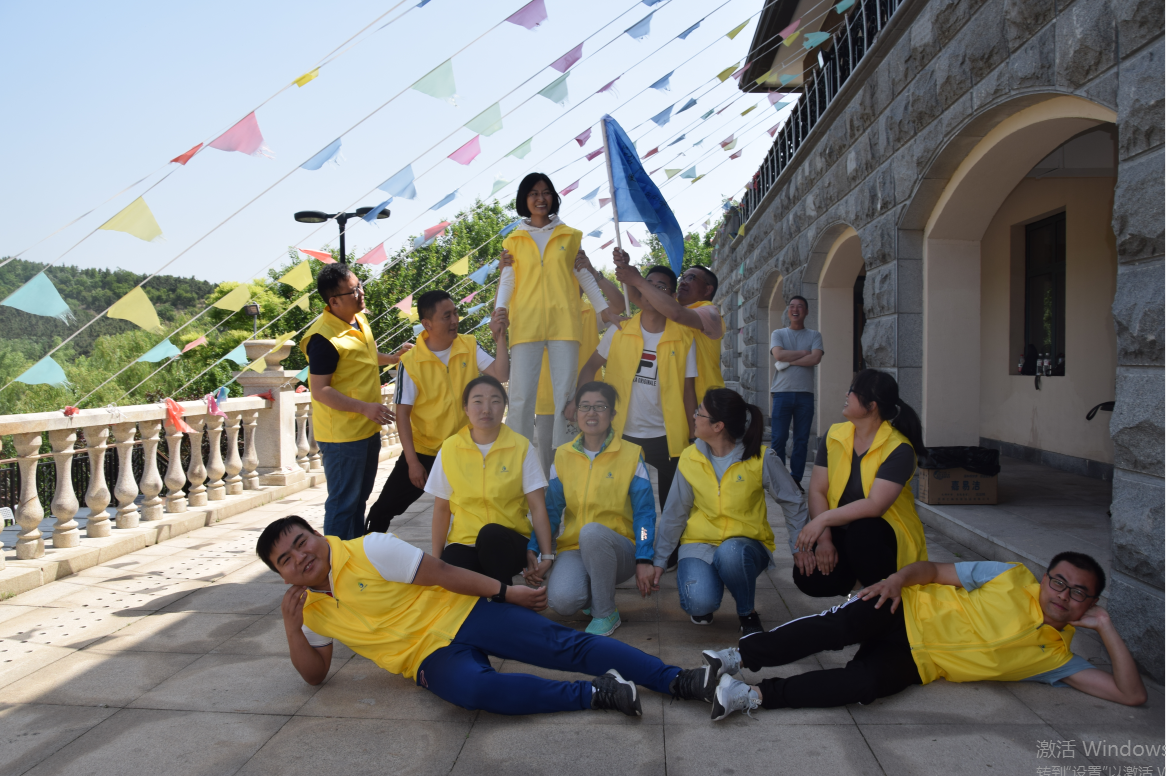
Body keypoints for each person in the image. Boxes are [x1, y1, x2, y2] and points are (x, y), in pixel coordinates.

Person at [258, 516, 716, 716]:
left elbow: (443, 572)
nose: (300, 557)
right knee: (476, 692)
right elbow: (315, 675)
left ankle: (678, 680)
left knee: (563, 645)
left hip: (462, 613)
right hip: (426, 658)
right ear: (281, 575)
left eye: (301, 542)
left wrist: (506, 593)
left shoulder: (369, 549)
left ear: (317, 534)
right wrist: (293, 629)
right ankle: (596, 694)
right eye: (285, 560)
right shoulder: (308, 610)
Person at [702, 552, 1148, 719]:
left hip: (919, 662)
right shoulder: (1011, 577)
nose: (1064, 596)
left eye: (1079, 593)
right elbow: (933, 570)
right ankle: (738, 657)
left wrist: (1107, 628)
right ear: (1045, 577)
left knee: (864, 685)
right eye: (1059, 582)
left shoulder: (1057, 659)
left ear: (1091, 605)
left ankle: (752, 696)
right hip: (904, 609)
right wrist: (897, 580)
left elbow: (1130, 695)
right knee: (840, 626)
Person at [645, 388, 808, 636]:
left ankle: (747, 612)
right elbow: (674, 512)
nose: (693, 416)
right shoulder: (689, 457)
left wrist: (799, 547)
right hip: (699, 543)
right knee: (698, 604)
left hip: (744, 547)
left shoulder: (760, 457)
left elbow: (793, 500)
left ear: (718, 425)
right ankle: (713, 580)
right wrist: (660, 560)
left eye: (699, 412)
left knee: (730, 554)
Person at [364, 290, 510, 533]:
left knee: (484, 506)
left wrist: (500, 337)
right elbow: (402, 414)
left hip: (465, 447)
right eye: (446, 316)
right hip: (425, 450)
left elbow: (501, 374)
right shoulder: (410, 362)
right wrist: (412, 462)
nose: (455, 320)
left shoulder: (469, 345)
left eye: (455, 313)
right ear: (427, 324)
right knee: (383, 510)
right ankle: (366, 549)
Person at [568, 265, 698, 517]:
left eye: (660, 287)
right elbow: (590, 368)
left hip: (667, 436)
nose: (650, 291)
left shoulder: (684, 338)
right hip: (622, 432)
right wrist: (577, 402)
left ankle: (666, 545)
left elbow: (688, 391)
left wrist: (693, 436)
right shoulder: (620, 329)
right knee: (617, 504)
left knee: (674, 510)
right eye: (646, 284)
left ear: (672, 296)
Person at [792, 369, 928, 597]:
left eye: (852, 391)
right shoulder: (834, 435)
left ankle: (879, 588)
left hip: (882, 535)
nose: (846, 394)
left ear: (871, 405)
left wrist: (822, 521)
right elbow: (817, 490)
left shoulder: (898, 448)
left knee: (862, 531)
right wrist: (824, 539)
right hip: (842, 528)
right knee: (808, 576)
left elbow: (875, 505)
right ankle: (858, 585)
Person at [301, 263, 410, 540]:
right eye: (353, 291)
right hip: (343, 436)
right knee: (343, 504)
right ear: (334, 301)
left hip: (366, 428)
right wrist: (364, 407)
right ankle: (336, 561)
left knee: (358, 500)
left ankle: (354, 556)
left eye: (359, 286)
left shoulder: (358, 319)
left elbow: (366, 355)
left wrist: (394, 358)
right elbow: (320, 390)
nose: (361, 293)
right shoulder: (323, 338)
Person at [538, 381, 657, 636]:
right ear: (576, 412)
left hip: (619, 549)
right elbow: (550, 511)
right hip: (575, 549)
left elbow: (645, 514)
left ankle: (605, 612)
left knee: (592, 532)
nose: (591, 413)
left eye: (600, 407)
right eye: (585, 406)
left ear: (612, 414)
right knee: (563, 602)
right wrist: (536, 549)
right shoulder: (563, 455)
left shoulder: (631, 455)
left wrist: (645, 556)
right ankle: (592, 593)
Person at [424, 375, 554, 586]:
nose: (486, 409)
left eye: (495, 401)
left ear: (504, 407)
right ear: (466, 408)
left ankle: (505, 597)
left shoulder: (521, 447)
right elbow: (441, 509)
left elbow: (538, 507)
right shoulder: (450, 448)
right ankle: (496, 595)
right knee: (452, 575)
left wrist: (546, 556)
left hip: (509, 541)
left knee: (491, 534)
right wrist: (437, 561)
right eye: (478, 401)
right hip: (465, 541)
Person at [498, 173, 585, 451]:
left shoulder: (571, 236)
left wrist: (606, 310)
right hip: (526, 325)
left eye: (546, 192)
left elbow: (583, 275)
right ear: (524, 199)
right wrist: (499, 311)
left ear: (554, 197)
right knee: (521, 396)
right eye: (533, 193)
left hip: (565, 324)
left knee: (566, 395)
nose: (540, 198)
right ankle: (517, 459)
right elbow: (508, 280)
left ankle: (566, 460)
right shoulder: (513, 240)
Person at [533, 253, 625, 476]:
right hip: (547, 404)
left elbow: (619, 304)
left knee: (588, 467)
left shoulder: (591, 313)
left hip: (588, 401)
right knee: (550, 471)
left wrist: (594, 273)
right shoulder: (539, 313)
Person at [613, 249, 724, 402]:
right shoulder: (669, 308)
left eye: (691, 278)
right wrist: (625, 268)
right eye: (682, 277)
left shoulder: (710, 312)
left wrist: (638, 280)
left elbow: (676, 313)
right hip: (679, 402)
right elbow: (638, 297)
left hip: (707, 403)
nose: (683, 282)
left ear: (708, 289)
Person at [769, 295, 823, 483]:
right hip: (781, 393)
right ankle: (779, 480)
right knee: (779, 438)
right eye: (792, 306)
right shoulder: (778, 334)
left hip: (805, 395)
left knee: (801, 440)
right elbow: (778, 355)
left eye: (800, 306)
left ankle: (795, 480)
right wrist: (803, 353)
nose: (795, 309)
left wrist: (788, 360)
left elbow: (815, 358)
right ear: (788, 311)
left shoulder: (814, 335)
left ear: (806, 311)